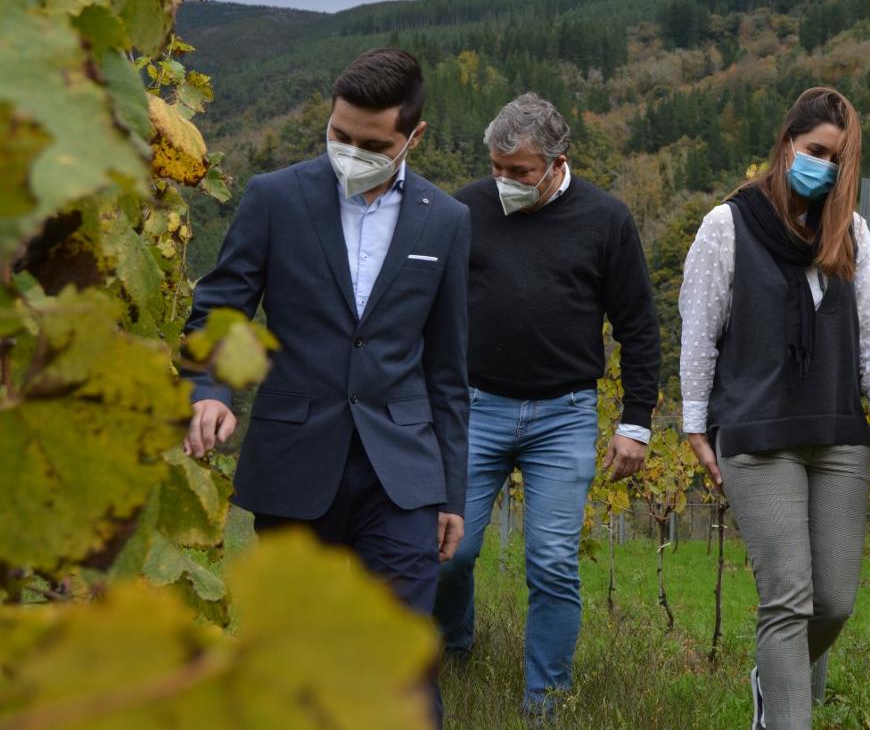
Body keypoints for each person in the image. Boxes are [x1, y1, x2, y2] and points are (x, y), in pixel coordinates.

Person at [182, 47, 470, 622]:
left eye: (374, 146)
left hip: (403, 476)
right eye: (341, 135)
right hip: (296, 461)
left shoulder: (446, 220)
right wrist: (209, 391)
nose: (352, 154)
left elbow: (447, 368)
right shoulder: (274, 198)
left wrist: (450, 494)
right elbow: (220, 311)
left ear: (415, 137)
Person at [679, 87, 870, 730]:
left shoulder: (850, 230)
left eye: (837, 160)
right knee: (788, 601)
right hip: (756, 432)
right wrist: (696, 422)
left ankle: (772, 678)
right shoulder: (728, 224)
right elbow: (699, 328)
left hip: (837, 432)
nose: (825, 169)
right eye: (815, 152)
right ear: (786, 144)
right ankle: (783, 716)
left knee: (832, 603)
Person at [433, 93, 661, 719]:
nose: (504, 182)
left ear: (558, 163)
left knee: (553, 561)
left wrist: (635, 423)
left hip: (563, 415)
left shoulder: (606, 220)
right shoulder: (464, 209)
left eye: (520, 171)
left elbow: (638, 325)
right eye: (497, 168)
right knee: (451, 550)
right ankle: (453, 645)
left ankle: (545, 702)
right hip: (476, 407)